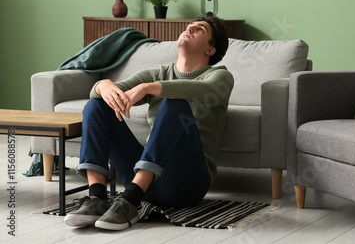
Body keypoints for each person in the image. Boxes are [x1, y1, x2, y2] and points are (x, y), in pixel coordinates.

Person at [64, 15, 234, 231]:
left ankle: (130, 201)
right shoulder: (156, 74)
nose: (189, 28)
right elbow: (101, 95)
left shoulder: (220, 76)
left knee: (174, 105)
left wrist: (148, 88)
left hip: (187, 184)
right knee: (96, 106)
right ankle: (97, 198)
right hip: (147, 180)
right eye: (189, 25)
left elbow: (205, 91)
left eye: (199, 29)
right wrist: (102, 85)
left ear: (210, 50)